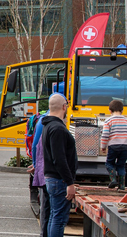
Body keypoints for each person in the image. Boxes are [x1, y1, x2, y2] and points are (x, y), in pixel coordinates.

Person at [41, 94, 78, 237]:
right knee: (59, 219)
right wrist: (69, 182)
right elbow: (59, 159)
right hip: (59, 180)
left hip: (53, 178)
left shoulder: (48, 126)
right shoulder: (58, 128)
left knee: (54, 217)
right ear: (64, 106)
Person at [101, 100, 127, 190]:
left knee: (109, 163)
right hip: (124, 147)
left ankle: (113, 180)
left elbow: (105, 135)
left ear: (110, 110)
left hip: (113, 146)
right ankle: (122, 185)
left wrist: (103, 147)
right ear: (122, 110)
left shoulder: (108, 121)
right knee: (121, 165)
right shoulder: (126, 120)